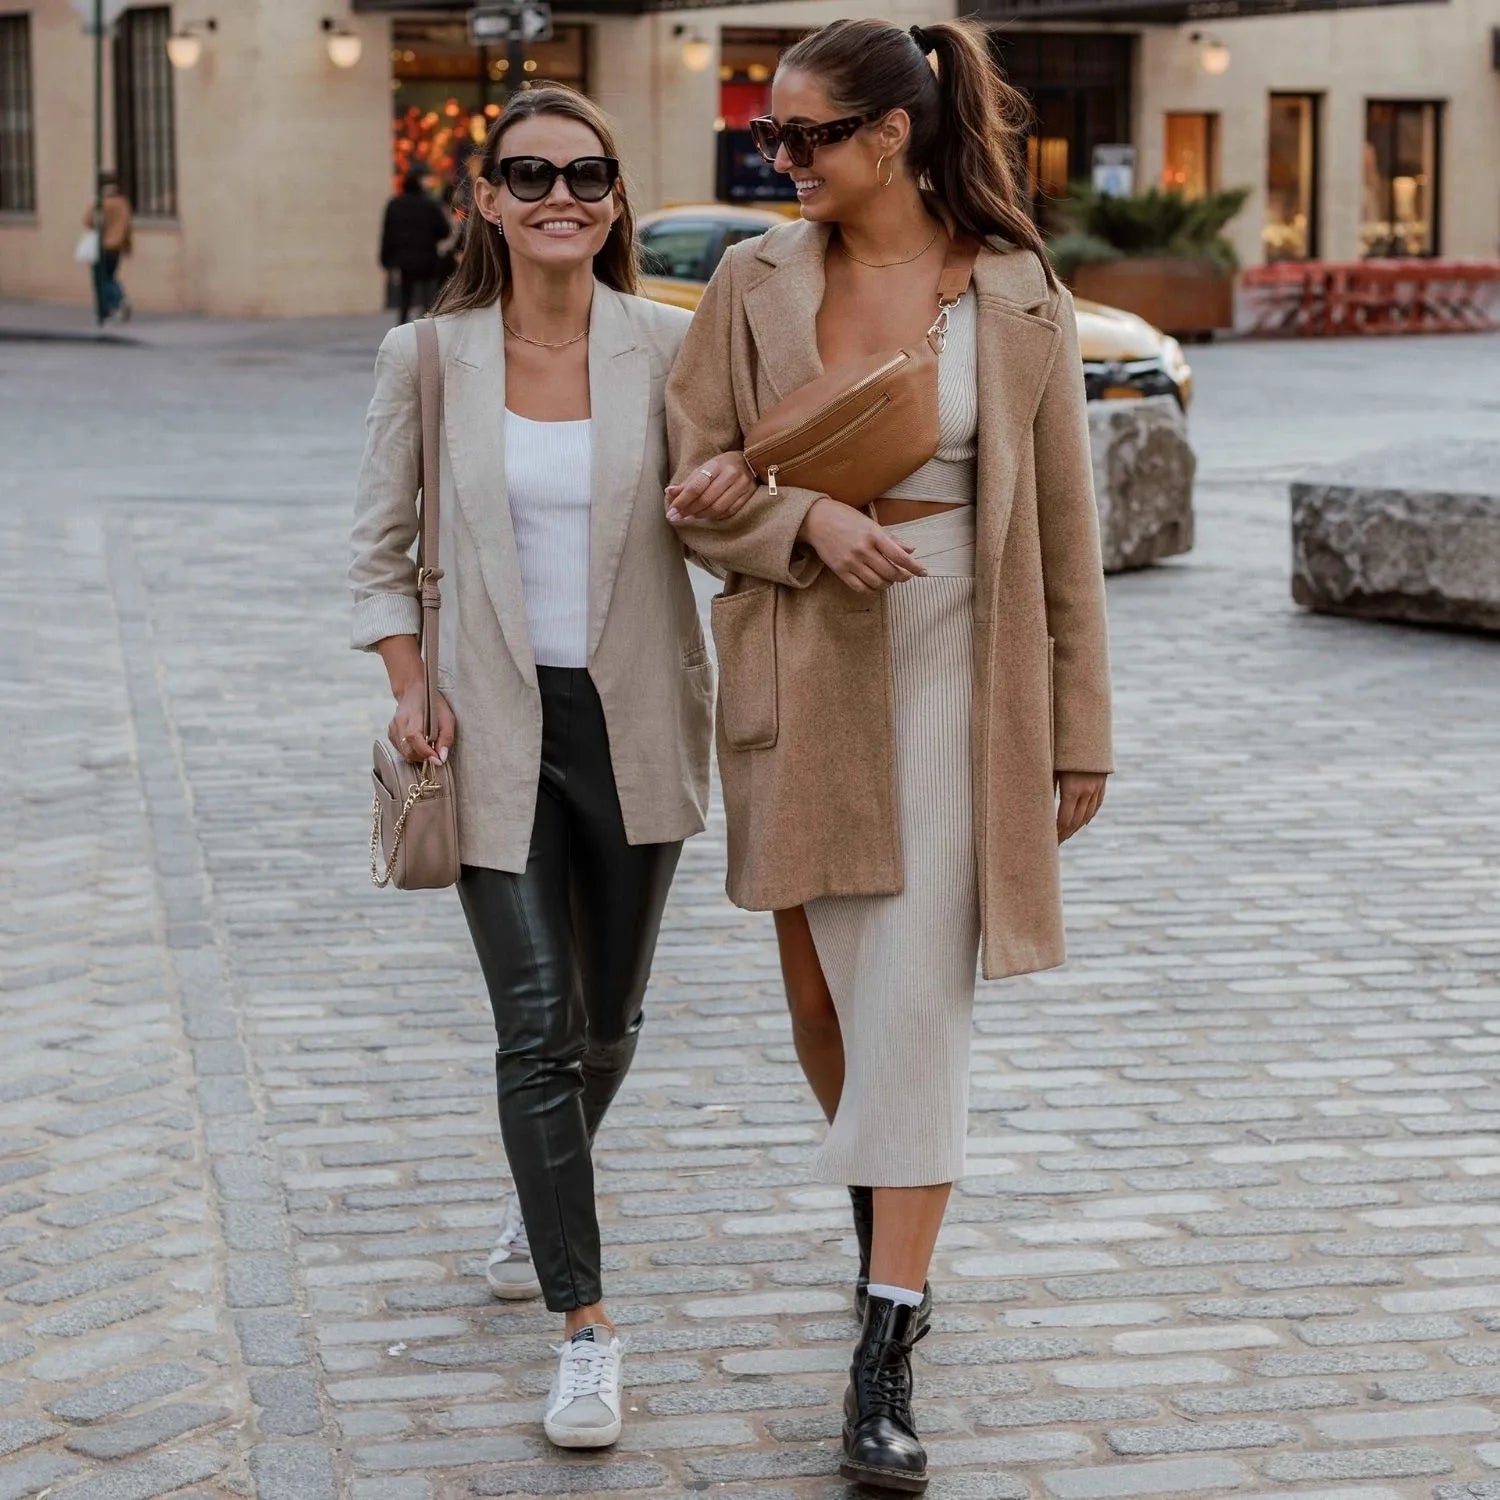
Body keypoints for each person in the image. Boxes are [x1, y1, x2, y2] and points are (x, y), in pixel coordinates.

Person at [665, 18, 1112, 1494]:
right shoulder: (752, 281)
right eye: (768, 135)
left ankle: (882, 1349)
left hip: (960, 673)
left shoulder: (1018, 290)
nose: (777, 157)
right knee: (825, 1002)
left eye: (803, 135)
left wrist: (1081, 730)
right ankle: (891, 1237)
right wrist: (803, 519)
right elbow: (688, 485)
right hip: (802, 667)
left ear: (892, 134)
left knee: (914, 1005)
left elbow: (1065, 528)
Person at [349, 85, 752, 1450]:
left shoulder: (669, 344)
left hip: (636, 718)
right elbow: (379, 548)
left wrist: (745, 498)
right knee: (533, 1025)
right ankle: (586, 1328)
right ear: (488, 200)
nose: (559, 196)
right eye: (529, 175)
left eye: (585, 174)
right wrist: (409, 686)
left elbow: (717, 528)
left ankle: (542, 1190)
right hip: (488, 728)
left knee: (607, 1022)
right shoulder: (428, 357)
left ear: (615, 197)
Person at [380, 168, 455, 324]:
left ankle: (401, 327)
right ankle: (426, 327)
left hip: (404, 260)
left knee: (405, 298)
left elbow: (388, 234)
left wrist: (386, 260)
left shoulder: (395, 205)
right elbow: (444, 231)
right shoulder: (430, 205)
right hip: (427, 258)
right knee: (427, 299)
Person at [83, 173, 132, 324]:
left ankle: (117, 300)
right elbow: (127, 226)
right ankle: (109, 307)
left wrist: (95, 204)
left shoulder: (102, 202)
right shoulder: (123, 203)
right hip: (116, 246)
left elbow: (88, 221)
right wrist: (127, 245)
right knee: (110, 275)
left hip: (102, 245)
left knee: (101, 278)